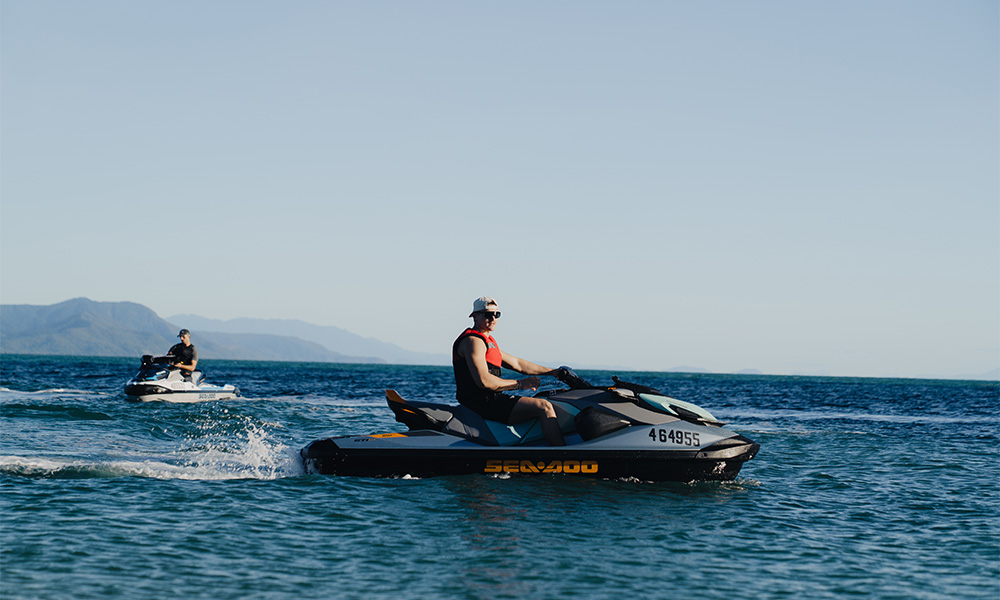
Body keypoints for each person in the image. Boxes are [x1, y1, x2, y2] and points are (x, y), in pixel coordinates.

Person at [452, 296, 565, 446]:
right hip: (481, 402)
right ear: (475, 316)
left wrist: (553, 372)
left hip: (490, 398)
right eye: (487, 314)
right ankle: (561, 456)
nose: (492, 318)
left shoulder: (488, 341)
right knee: (544, 407)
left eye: (496, 314)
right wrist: (519, 384)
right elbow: (484, 381)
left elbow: (518, 364)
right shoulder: (473, 341)